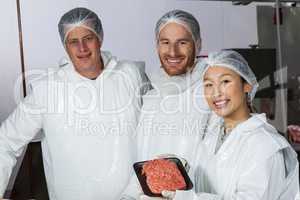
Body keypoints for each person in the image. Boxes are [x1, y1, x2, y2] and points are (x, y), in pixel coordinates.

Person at [0, 7, 146, 200]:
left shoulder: (130, 74)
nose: (82, 48)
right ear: (65, 46)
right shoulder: (47, 89)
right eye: (73, 42)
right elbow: (6, 141)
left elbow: (155, 126)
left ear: (99, 39)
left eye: (88, 38)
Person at [168, 50, 300, 200]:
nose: (216, 93)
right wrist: (174, 172)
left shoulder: (265, 144)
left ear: (247, 86)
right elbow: (203, 181)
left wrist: (186, 198)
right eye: (209, 85)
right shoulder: (212, 136)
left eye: (225, 81)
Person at [121, 10, 211, 199]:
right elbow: (143, 158)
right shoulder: (151, 98)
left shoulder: (210, 95)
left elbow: (217, 168)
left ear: (198, 44)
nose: (173, 52)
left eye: (182, 42)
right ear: (157, 46)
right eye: (165, 42)